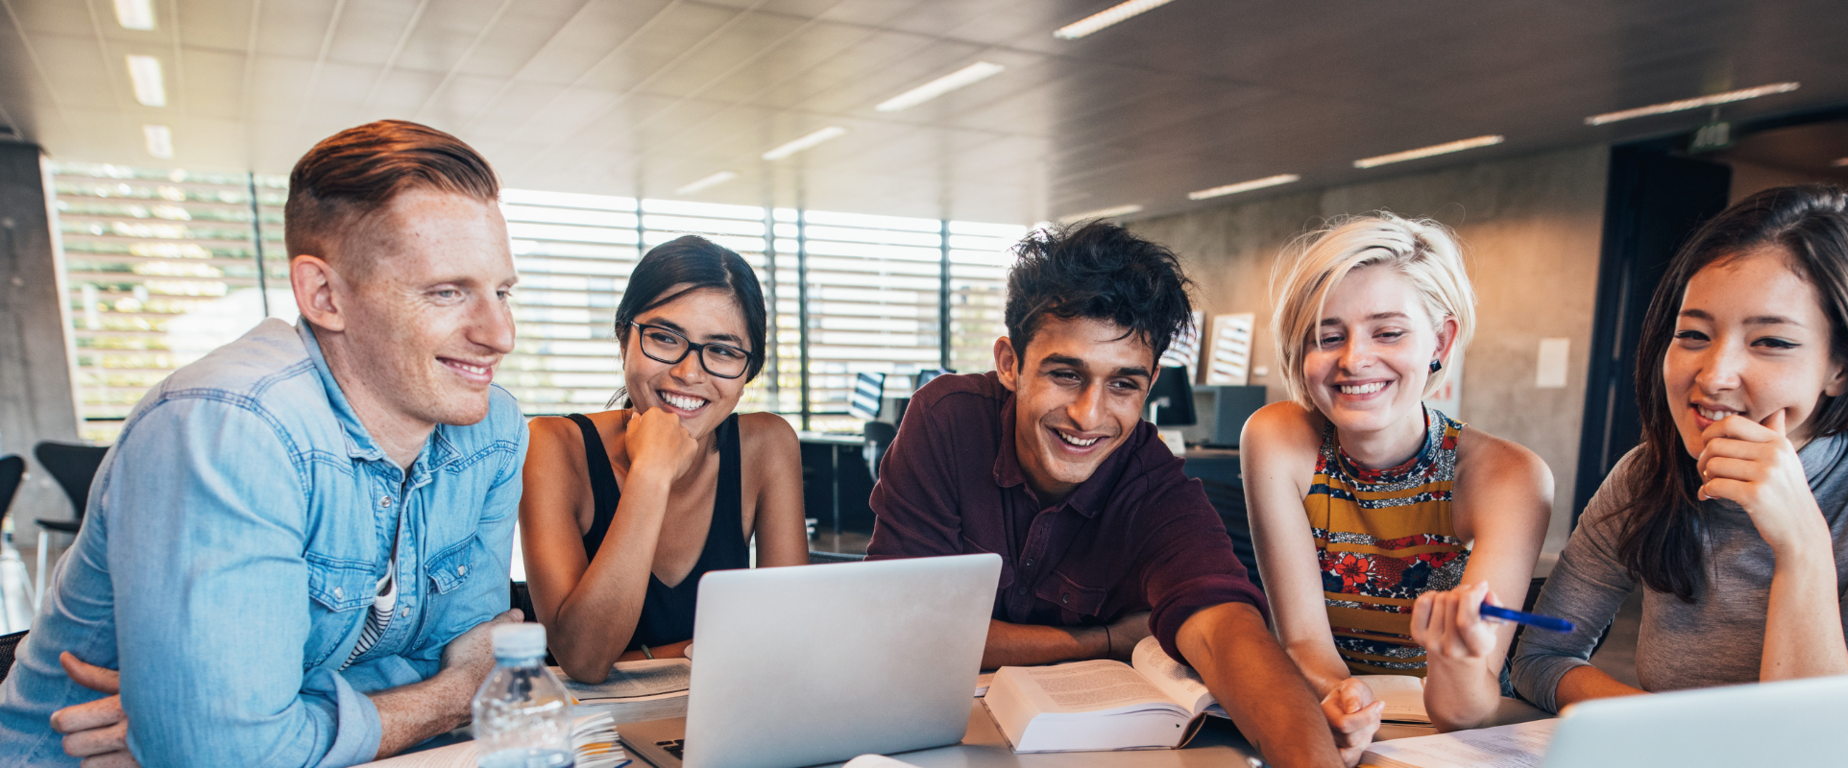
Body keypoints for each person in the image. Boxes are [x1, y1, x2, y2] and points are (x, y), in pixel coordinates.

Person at [0, 120, 528, 766]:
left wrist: (251, 717)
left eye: (503, 292)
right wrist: (451, 694)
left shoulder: (492, 431)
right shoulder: (231, 428)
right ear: (324, 295)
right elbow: (232, 755)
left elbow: (482, 650)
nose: (500, 334)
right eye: (447, 292)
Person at [868, 221, 1353, 767]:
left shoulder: (1153, 481)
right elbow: (902, 629)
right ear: (1010, 363)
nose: (1088, 415)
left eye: (1123, 384)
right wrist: (1101, 639)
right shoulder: (946, 420)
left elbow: (1226, 630)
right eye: (1066, 374)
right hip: (929, 742)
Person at [1511, 185, 1848, 712]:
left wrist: (1800, 545)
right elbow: (1542, 654)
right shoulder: (1648, 472)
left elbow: (1841, 742)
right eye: (1694, 335)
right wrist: (1665, 731)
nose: (1715, 375)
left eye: (1771, 342)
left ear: (1844, 366)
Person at [1241, 214, 1552, 732]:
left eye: (1387, 332)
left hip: (1446, 734)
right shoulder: (1276, 438)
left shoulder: (1509, 476)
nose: (1355, 359)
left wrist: (1455, 657)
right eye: (1327, 336)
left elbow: (1466, 710)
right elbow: (1304, 644)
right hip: (1331, 714)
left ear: (1440, 343)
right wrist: (1346, 702)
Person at [518, 235, 807, 683]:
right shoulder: (552, 446)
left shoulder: (766, 446)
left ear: (748, 371)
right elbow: (584, 659)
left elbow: (787, 638)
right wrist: (651, 472)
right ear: (623, 339)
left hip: (726, 713)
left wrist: (637, 660)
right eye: (664, 338)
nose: (688, 373)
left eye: (723, 351)